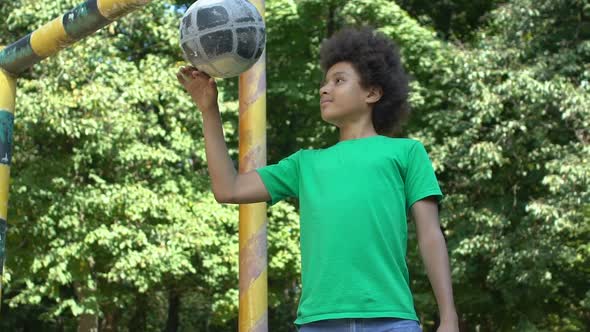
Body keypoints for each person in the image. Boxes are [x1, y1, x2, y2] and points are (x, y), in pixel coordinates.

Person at [176, 27, 459, 332]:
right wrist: (209, 111)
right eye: (324, 83)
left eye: (339, 81)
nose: (325, 89)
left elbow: (430, 236)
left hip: (392, 320)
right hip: (318, 323)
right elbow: (228, 188)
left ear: (372, 93)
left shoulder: (407, 153)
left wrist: (449, 318)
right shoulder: (305, 164)